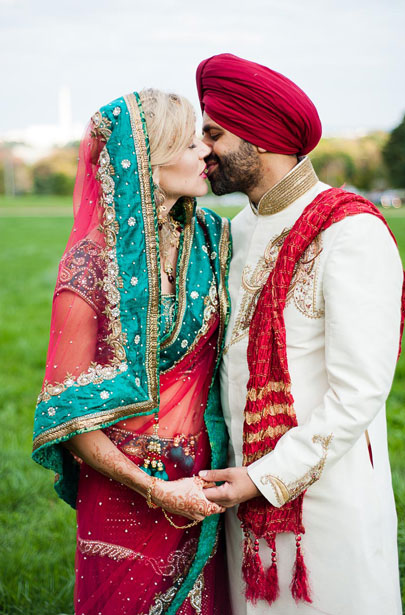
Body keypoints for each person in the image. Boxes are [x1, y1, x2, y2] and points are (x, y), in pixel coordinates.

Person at [193, 53, 405, 615]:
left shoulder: (350, 230)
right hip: (241, 493)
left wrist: (264, 479)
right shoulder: (237, 230)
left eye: (213, 133)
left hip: (325, 503)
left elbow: (360, 390)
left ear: (259, 138)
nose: (203, 150)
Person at [31, 89, 232, 614]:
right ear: (150, 159)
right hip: (124, 487)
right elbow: (66, 413)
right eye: (191, 144)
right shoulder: (90, 266)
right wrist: (156, 489)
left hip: (206, 475)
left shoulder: (212, 238)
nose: (206, 154)